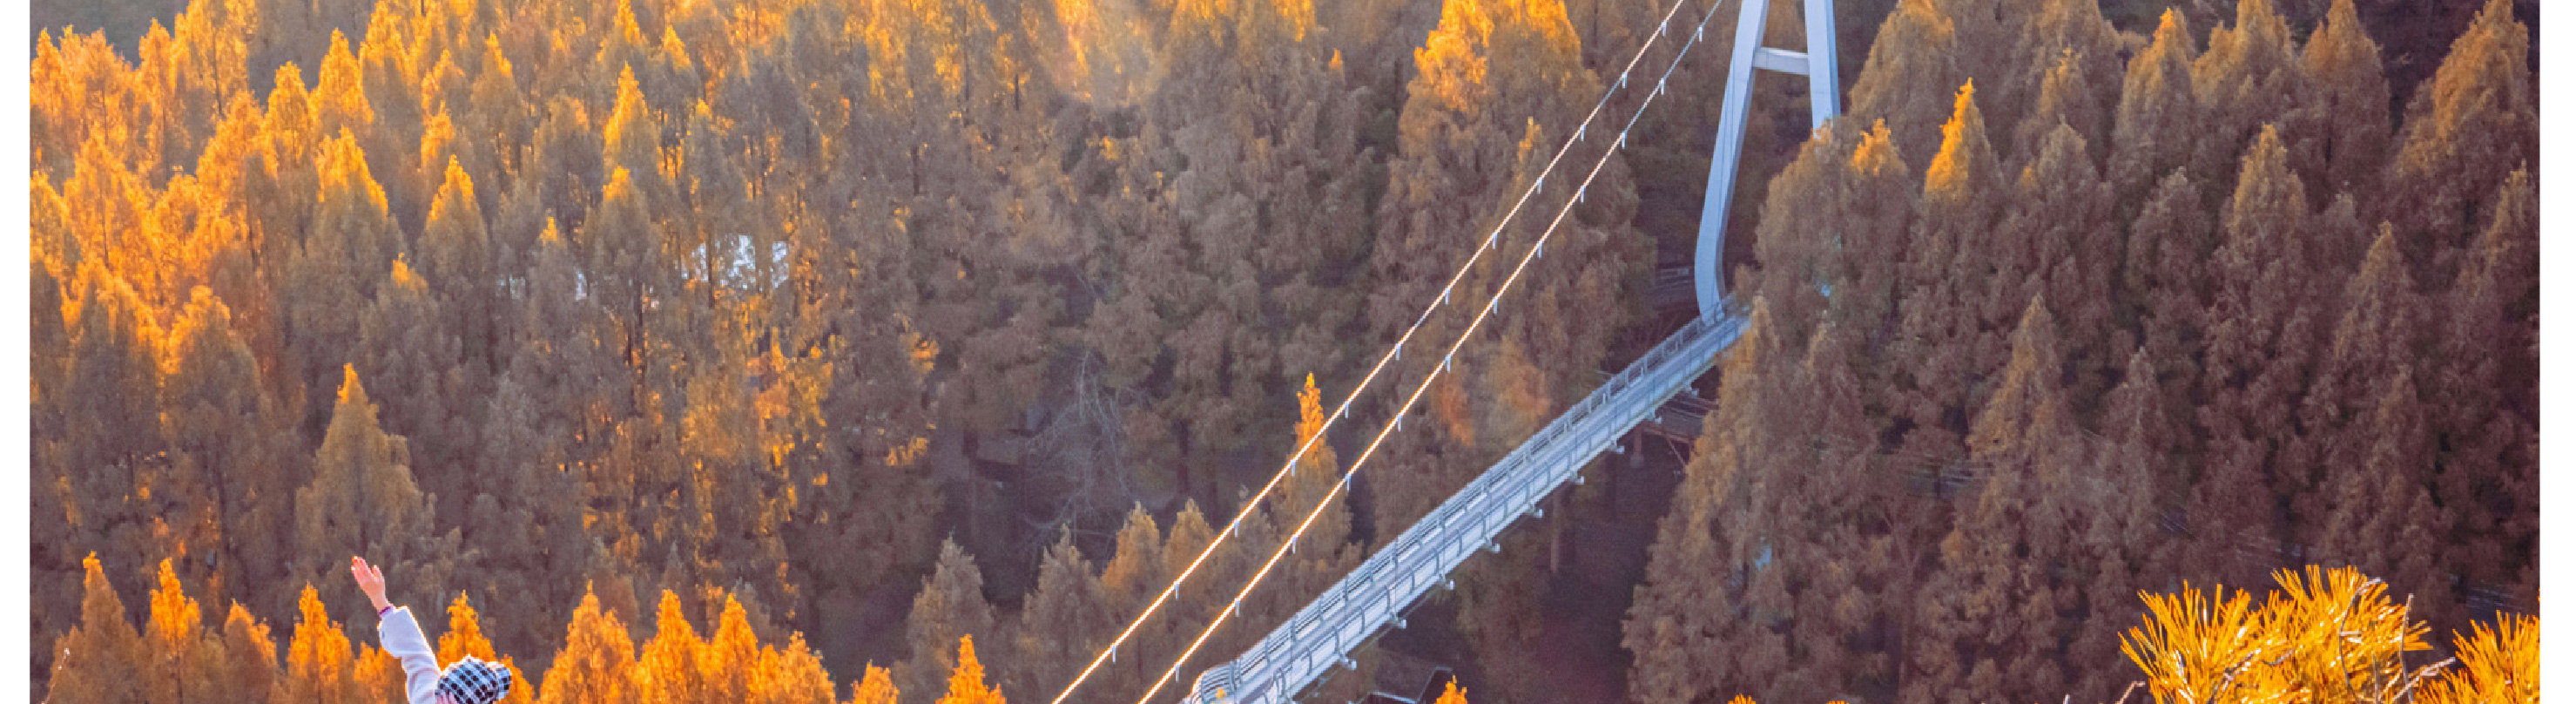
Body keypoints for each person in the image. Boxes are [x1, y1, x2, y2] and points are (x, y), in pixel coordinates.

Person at [351, 556, 515, 704]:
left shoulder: (428, 698)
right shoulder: (428, 698)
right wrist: (379, 599)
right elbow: (416, 652)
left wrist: (379, 598)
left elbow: (416, 652)